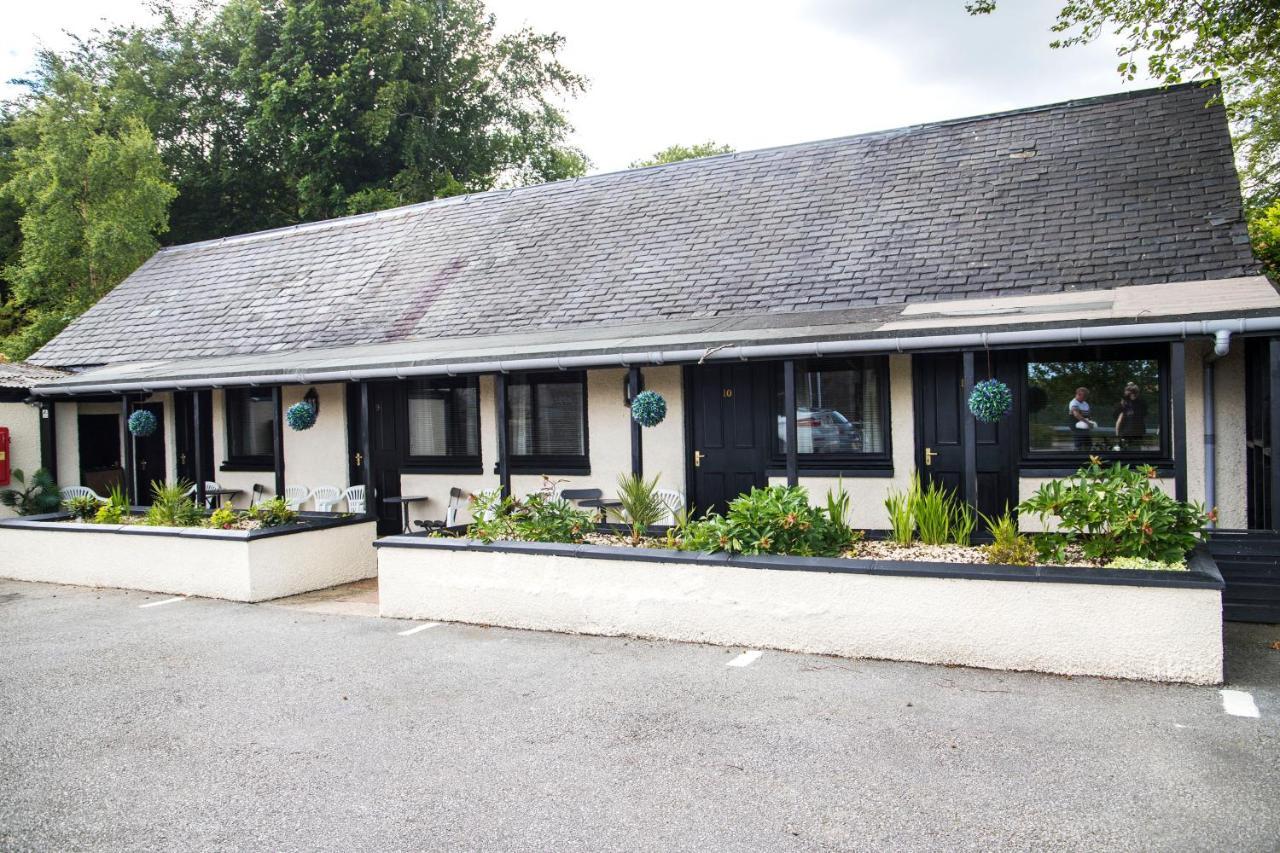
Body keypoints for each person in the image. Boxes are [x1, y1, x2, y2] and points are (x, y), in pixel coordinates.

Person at [1113, 382, 1148, 450]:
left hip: (1135, 432)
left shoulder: (1141, 403)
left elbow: (1144, 415)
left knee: (1135, 450)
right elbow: (1118, 420)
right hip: (1127, 433)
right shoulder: (1124, 403)